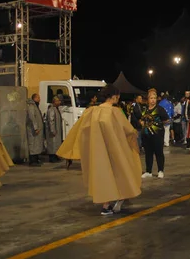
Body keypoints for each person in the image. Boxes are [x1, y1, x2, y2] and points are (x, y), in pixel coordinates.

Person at [57, 84, 142, 215]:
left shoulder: (91, 111)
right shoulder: (115, 112)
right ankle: (120, 196)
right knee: (121, 172)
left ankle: (106, 205)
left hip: (98, 151)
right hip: (115, 149)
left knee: (103, 176)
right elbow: (128, 130)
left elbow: (80, 130)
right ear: (114, 97)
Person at [134, 89, 170, 179]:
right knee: (148, 153)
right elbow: (140, 118)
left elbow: (166, 120)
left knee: (159, 153)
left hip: (157, 136)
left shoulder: (160, 109)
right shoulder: (144, 109)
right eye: (151, 98)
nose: (153, 100)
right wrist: (142, 123)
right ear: (148, 99)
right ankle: (148, 171)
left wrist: (158, 126)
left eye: (154, 98)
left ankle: (160, 171)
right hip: (146, 135)